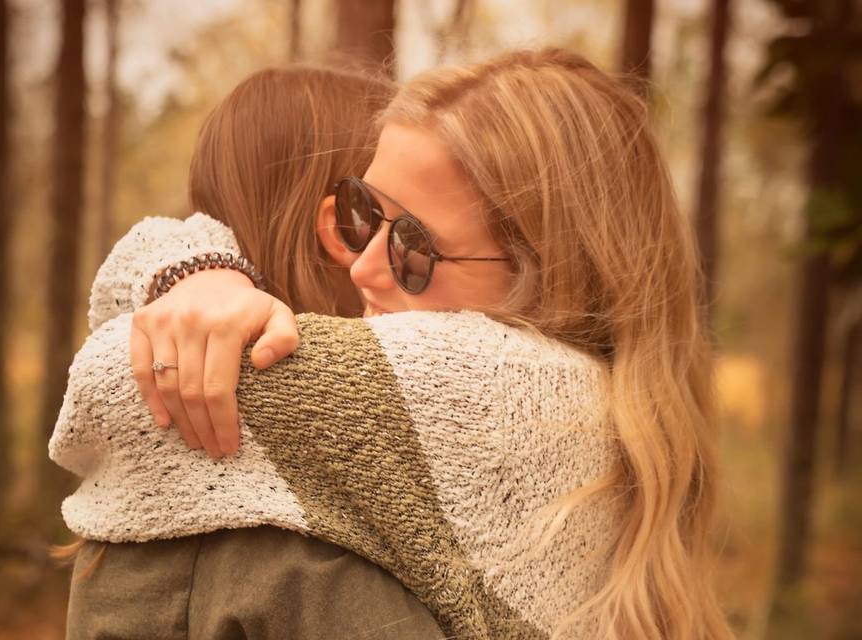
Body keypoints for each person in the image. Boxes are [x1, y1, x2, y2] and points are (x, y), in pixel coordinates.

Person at [52, 48, 733, 640]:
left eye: (415, 247)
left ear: (552, 278)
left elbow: (115, 385)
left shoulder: (498, 389)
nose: (363, 267)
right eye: (362, 213)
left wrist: (194, 275)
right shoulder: (610, 400)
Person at [53, 64, 446, 639]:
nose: (400, 253)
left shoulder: (128, 502)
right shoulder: (311, 552)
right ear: (339, 226)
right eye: (386, 219)